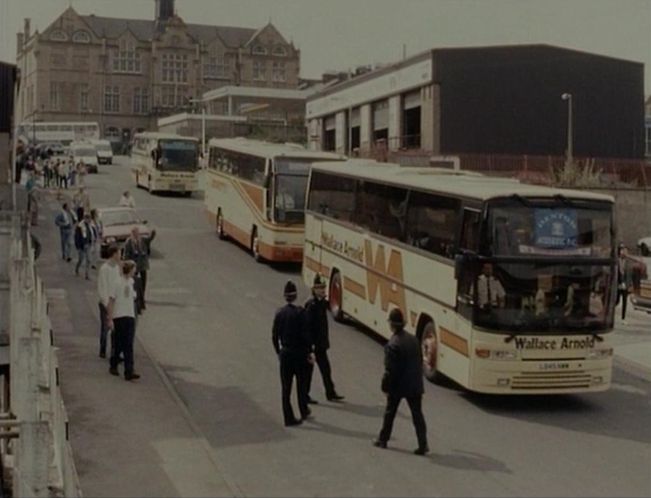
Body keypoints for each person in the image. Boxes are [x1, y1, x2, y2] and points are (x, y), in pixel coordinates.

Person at [373, 308, 429, 455]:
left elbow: (390, 370)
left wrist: (385, 386)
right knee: (417, 415)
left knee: (390, 413)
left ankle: (383, 439)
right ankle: (423, 444)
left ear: (392, 324)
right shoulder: (413, 339)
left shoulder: (393, 344)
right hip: (415, 384)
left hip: (398, 385)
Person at [272, 280, 313, 426]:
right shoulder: (301, 313)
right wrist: (309, 352)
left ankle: (288, 417)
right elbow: (306, 335)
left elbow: (274, 336)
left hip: (286, 353)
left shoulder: (280, 313)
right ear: (295, 296)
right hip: (299, 354)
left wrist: (279, 352)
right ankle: (303, 410)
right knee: (301, 385)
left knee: (286, 387)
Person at [304, 273, 344, 404]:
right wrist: (310, 346)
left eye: (323, 287)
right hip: (313, 346)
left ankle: (330, 393)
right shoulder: (312, 305)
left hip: (321, 345)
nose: (322, 290)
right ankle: (305, 395)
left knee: (326, 370)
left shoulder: (321, 304)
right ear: (314, 289)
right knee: (308, 372)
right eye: (319, 288)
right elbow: (308, 328)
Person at [107, 260, 140, 381]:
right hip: (119, 316)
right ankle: (114, 363)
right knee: (119, 343)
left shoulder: (132, 282)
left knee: (129, 344)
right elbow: (111, 301)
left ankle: (129, 370)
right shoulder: (116, 282)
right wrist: (110, 318)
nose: (135, 272)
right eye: (133, 269)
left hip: (129, 315)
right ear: (130, 270)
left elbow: (134, 298)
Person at [123, 227, 155, 313]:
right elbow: (126, 254)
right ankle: (135, 295)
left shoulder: (142, 240)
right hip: (134, 265)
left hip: (142, 264)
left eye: (137, 233)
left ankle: (142, 296)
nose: (136, 235)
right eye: (134, 233)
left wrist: (153, 233)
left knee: (143, 281)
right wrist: (127, 263)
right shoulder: (129, 242)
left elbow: (150, 239)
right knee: (134, 281)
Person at [97, 245, 121, 359]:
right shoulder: (104, 268)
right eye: (119, 253)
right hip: (105, 303)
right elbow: (102, 287)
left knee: (115, 329)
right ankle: (102, 349)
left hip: (115, 302)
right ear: (114, 254)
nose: (120, 255)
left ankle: (114, 351)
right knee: (105, 327)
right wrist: (106, 303)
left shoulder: (116, 268)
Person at [617, 244, 634, 323]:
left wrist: (630, 285)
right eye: (622, 250)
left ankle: (623, 318)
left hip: (625, 284)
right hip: (617, 283)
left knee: (624, 301)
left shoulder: (628, 262)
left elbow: (630, 274)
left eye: (625, 251)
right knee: (616, 300)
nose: (623, 252)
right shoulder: (617, 260)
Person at [74, 213, 93, 279]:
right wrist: (78, 246)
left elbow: (91, 234)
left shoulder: (90, 225)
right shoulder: (80, 226)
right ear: (85, 219)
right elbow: (77, 237)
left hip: (88, 245)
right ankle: (77, 269)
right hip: (81, 246)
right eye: (88, 219)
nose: (89, 220)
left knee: (89, 260)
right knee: (81, 259)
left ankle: (87, 274)